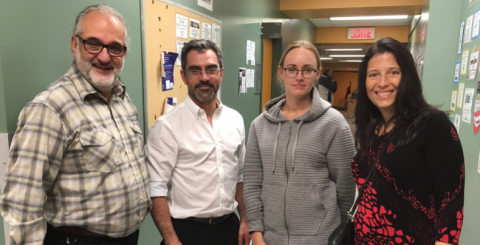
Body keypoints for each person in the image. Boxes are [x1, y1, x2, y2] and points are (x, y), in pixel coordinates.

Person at [0, 5, 151, 245]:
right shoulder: (50, 108)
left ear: (124, 52)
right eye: (93, 43)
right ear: (75, 44)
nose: (104, 56)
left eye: (115, 48)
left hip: (128, 238)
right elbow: (23, 204)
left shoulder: (122, 98)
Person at [353, 37, 464, 245]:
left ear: (408, 77)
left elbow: (451, 207)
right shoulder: (370, 127)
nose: (383, 82)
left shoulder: (433, 125)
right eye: (373, 74)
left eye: (393, 72)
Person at [243, 40, 356, 245]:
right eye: (292, 69)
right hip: (269, 239)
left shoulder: (334, 124)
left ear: (317, 73)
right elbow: (252, 184)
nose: (299, 76)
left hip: (321, 238)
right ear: (281, 71)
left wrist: (333, 233)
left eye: (307, 70)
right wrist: (257, 235)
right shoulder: (259, 125)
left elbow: (346, 189)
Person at [146, 39, 250, 245]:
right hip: (186, 233)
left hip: (230, 229)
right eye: (195, 70)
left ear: (221, 73)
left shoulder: (235, 119)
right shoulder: (166, 127)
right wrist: (171, 240)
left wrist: (245, 220)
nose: (204, 77)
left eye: (211, 69)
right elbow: (155, 189)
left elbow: (240, 175)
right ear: (183, 76)